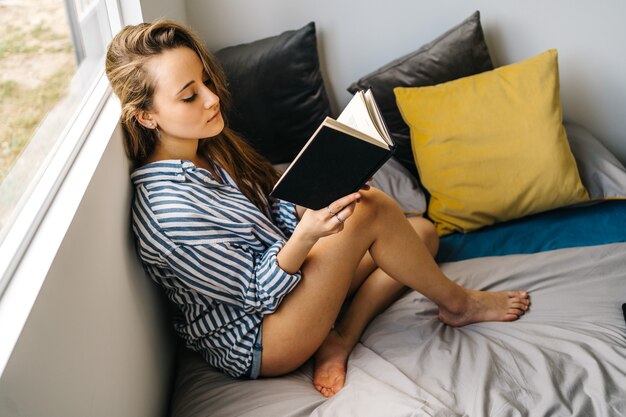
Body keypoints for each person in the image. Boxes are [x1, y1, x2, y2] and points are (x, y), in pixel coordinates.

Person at [105, 19, 530, 398]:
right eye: (188, 96)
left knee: (420, 234)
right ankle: (461, 305)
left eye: (205, 82)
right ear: (146, 117)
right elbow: (255, 296)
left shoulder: (206, 152)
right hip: (263, 338)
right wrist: (310, 232)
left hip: (288, 287)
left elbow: (271, 223)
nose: (212, 98)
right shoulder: (170, 213)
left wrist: (322, 193)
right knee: (372, 211)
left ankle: (341, 338)